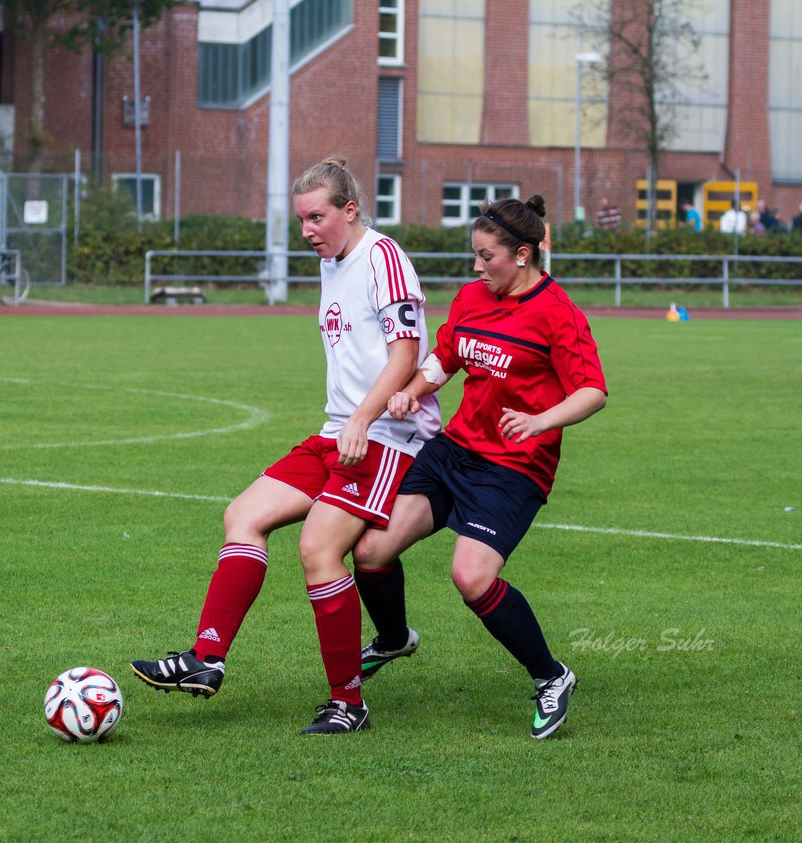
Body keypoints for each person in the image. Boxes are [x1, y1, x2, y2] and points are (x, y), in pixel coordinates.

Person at [129, 156, 439, 735]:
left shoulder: (383, 256)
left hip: (388, 438)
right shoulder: (333, 263)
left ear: (350, 211)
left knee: (320, 549)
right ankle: (207, 658)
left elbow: (406, 355)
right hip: (335, 432)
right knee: (243, 514)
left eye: (317, 217)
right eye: (301, 220)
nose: (307, 231)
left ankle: (349, 705)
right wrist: (345, 423)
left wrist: (363, 420)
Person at [350, 195, 608, 740]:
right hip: (454, 452)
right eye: (475, 255)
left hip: (513, 468)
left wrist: (540, 421)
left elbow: (592, 391)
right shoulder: (473, 297)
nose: (476, 266)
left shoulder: (558, 312)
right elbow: (446, 356)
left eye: (485, 256)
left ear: (521, 254)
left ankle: (552, 676)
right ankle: (394, 638)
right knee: (371, 549)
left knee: (470, 576)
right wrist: (413, 391)